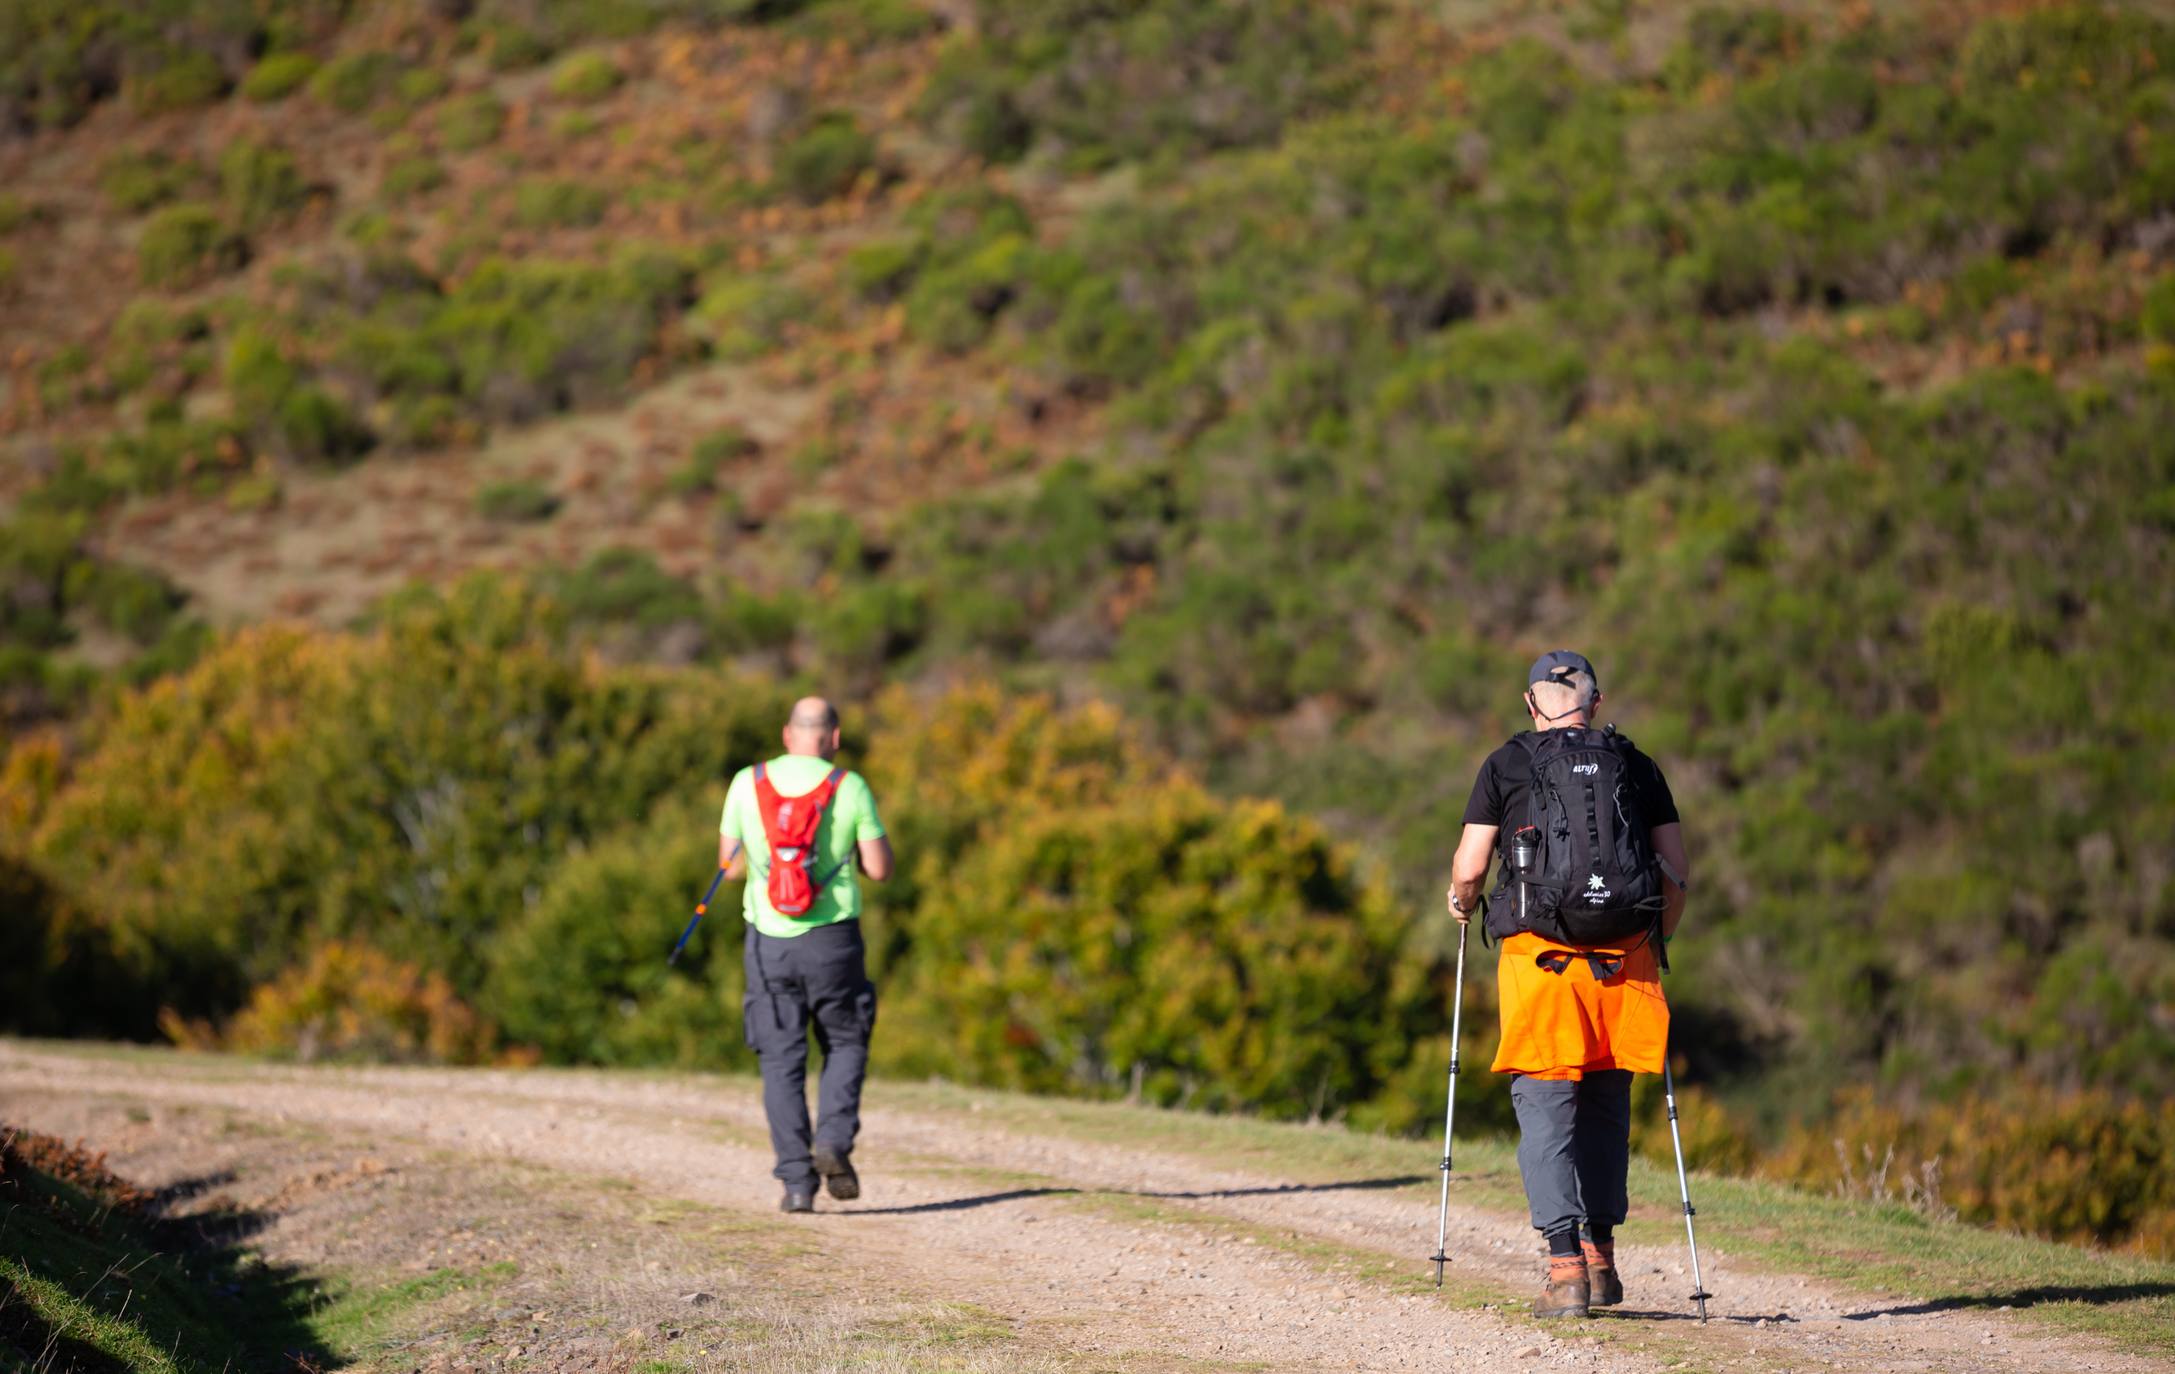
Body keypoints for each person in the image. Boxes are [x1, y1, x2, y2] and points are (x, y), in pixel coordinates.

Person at [1445, 651, 1689, 1318]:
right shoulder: (1634, 766)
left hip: (1539, 960)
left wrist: (1461, 903)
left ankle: (1564, 1273)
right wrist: (1651, 939)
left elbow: (1470, 868)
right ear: (1597, 702)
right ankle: (1603, 1258)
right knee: (1607, 1104)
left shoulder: (1507, 762)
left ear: (1530, 706)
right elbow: (1675, 874)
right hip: (1625, 961)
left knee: (1547, 1107)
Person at [720, 696, 894, 1213]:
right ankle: (833, 1142)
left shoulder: (745, 783)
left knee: (781, 1059)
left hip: (768, 942)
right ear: (834, 738)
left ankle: (797, 1185)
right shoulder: (850, 786)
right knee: (845, 1039)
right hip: (833, 941)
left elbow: (728, 869)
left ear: (786, 733)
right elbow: (880, 869)